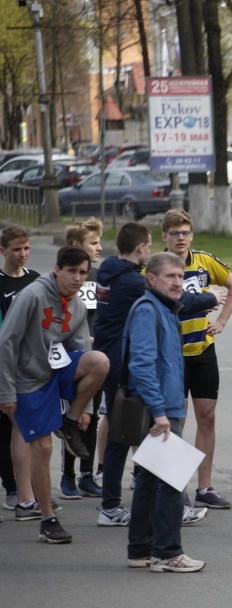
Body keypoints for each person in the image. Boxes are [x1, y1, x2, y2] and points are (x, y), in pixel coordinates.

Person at [95, 222, 218, 527]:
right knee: (158, 435)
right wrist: (211, 297)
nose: (149, 251)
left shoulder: (108, 273)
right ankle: (167, 509)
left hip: (112, 362)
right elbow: (179, 301)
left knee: (124, 436)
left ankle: (117, 507)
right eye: (148, 246)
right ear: (141, 248)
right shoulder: (136, 285)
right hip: (127, 369)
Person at [0, 246, 109, 543]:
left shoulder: (77, 305)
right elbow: (6, 342)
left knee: (99, 361)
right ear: (57, 270)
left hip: (55, 372)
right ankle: (47, 519)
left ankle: (69, 421)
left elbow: (80, 351)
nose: (78, 278)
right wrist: (6, 391)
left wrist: (84, 407)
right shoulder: (32, 296)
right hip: (27, 380)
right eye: (72, 271)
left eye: (83, 272)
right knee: (43, 448)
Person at [125, 252, 205, 573]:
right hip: (158, 410)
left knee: (147, 480)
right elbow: (142, 365)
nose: (178, 282)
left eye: (181, 276)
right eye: (170, 276)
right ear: (152, 278)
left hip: (164, 406)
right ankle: (168, 553)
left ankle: (140, 550)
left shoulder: (166, 308)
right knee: (173, 481)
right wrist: (160, 412)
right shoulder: (148, 310)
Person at [162, 210, 232, 510]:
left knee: (207, 417)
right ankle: (175, 487)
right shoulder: (157, 266)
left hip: (203, 350)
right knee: (177, 420)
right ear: (164, 237)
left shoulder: (204, 261)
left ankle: (205, 487)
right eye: (174, 233)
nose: (180, 238)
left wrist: (221, 321)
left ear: (192, 235)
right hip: (173, 354)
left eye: (185, 232)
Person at [60, 218, 104, 501]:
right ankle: (67, 475)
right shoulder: (64, 279)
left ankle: (87, 475)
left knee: (92, 415)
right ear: (76, 245)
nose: (99, 247)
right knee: (71, 416)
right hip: (71, 357)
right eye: (93, 243)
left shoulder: (99, 277)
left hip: (96, 357)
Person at [0, 226, 40, 515]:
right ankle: (13, 489)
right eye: (16, 249)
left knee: (24, 428)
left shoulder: (36, 280)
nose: (23, 254)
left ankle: (27, 490)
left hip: (31, 367)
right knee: (7, 430)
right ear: (3, 250)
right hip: (5, 364)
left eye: (26, 248)